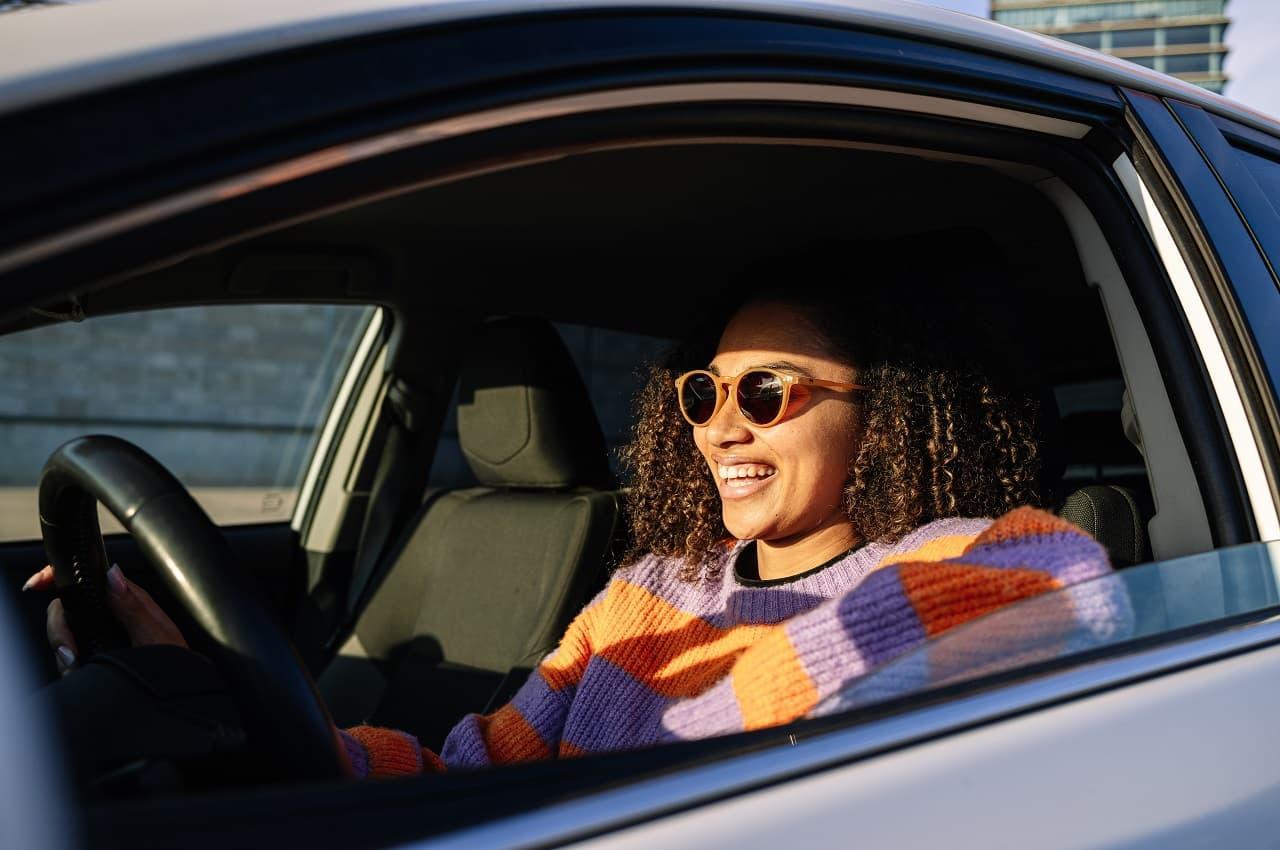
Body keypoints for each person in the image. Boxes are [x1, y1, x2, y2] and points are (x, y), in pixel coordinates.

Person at [28, 281, 1118, 778]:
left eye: (766, 392)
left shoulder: (964, 553)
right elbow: (479, 766)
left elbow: (1062, 580)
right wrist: (220, 689)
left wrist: (662, 759)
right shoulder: (650, 590)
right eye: (701, 394)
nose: (720, 427)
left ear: (880, 417)